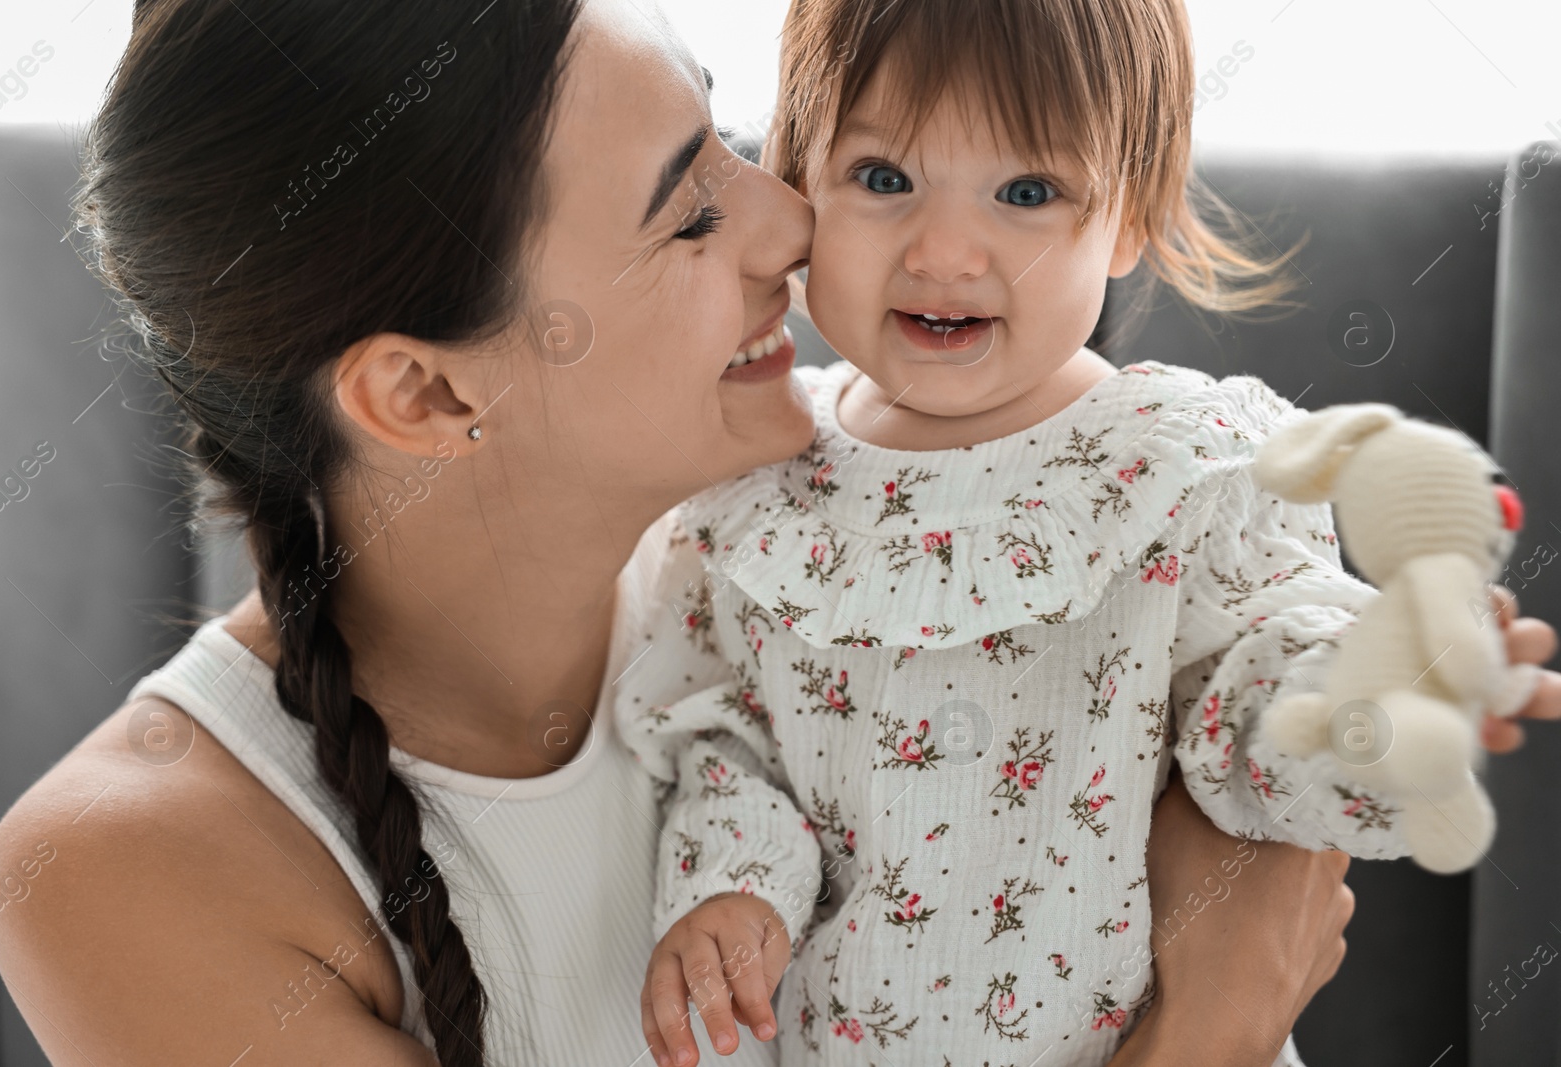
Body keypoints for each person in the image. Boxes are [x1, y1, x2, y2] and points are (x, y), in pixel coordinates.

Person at [0, 1, 1558, 1066]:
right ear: (424, 391)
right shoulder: (122, 869)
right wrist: (1202, 1027)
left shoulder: (982, 512)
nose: (796, 222)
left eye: (739, 139)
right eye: (689, 204)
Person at [627, 1, 1561, 1065]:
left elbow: (1252, 702)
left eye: (1026, 192)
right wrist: (731, 889)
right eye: (883, 178)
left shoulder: (1178, 463)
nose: (942, 251)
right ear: (798, 184)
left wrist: (1370, 704)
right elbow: (720, 738)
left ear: (1131, 216)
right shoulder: (754, 484)